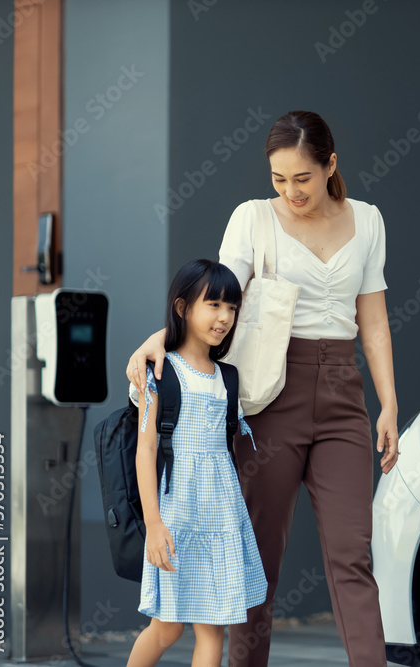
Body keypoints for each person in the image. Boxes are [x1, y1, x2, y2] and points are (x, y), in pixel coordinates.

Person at [127, 110, 398, 667]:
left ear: (330, 165)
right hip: (270, 398)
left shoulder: (368, 221)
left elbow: (372, 322)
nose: (290, 191)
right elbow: (217, 297)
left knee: (352, 555)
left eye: (302, 177)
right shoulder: (253, 218)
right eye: (279, 178)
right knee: (257, 559)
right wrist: (163, 336)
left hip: (344, 397)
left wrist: (389, 402)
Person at [126, 259, 267, 667]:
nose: (224, 317)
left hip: (220, 516)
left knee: (213, 628)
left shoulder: (229, 377)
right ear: (183, 307)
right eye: (214, 305)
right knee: (166, 628)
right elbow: (146, 449)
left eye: (232, 308)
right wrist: (153, 524)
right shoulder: (161, 373)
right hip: (175, 516)